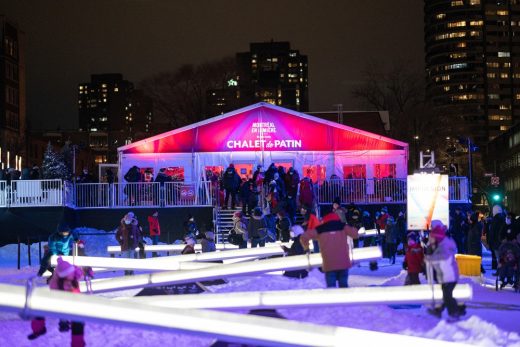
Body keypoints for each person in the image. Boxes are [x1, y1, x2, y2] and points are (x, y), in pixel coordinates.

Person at [28, 257, 86, 346]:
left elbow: (80, 272)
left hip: (75, 302)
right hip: (60, 302)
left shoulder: (74, 272)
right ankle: (38, 329)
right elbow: (56, 295)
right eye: (68, 276)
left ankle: (77, 344)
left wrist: (87, 271)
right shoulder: (55, 282)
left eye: (71, 274)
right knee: (38, 308)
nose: (71, 277)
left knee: (78, 322)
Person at [300, 212, 359, 288]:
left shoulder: (320, 229)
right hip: (343, 263)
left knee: (331, 288)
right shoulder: (343, 226)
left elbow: (303, 237)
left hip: (329, 264)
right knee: (344, 287)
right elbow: (355, 234)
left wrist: (306, 248)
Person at [425, 220, 466, 321]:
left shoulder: (445, 245)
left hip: (450, 275)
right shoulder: (441, 243)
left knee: (447, 296)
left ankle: (454, 313)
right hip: (445, 275)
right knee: (446, 295)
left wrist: (430, 259)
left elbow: (444, 257)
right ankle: (456, 309)